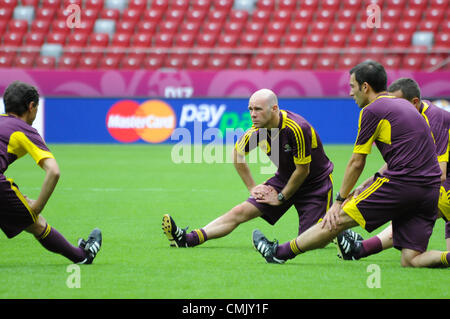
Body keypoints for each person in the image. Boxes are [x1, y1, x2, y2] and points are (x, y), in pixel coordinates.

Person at [252, 61, 449, 268]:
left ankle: (279, 253)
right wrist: (371, 181)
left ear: (365, 87)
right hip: (430, 190)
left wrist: (339, 202)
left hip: (402, 184)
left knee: (336, 219)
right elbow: (412, 155)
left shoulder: (373, 110)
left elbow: (356, 161)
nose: (350, 93)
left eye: (352, 86)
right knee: (412, 260)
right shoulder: (406, 106)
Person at [162, 88, 334, 259]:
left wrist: (281, 197)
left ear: (274, 109)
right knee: (240, 211)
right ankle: (187, 239)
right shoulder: (256, 132)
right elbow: (237, 155)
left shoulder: (297, 128)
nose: (253, 114)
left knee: (314, 239)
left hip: (314, 184)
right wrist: (252, 187)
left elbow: (303, 170)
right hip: (284, 179)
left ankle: (341, 234)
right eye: (250, 109)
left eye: (258, 109)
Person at [336, 77, 450, 260]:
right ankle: (360, 249)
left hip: (442, 181)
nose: (393, 107)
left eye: (398, 102)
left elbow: (440, 174)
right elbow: (402, 160)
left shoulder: (434, 120)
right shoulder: (415, 118)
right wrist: (368, 182)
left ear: (414, 102)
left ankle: (360, 249)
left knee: (411, 206)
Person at [0, 81, 102, 264]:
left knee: (27, 221)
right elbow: (53, 171)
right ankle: (82, 256)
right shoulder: (23, 130)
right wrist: (36, 207)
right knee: (36, 222)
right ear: (31, 107)